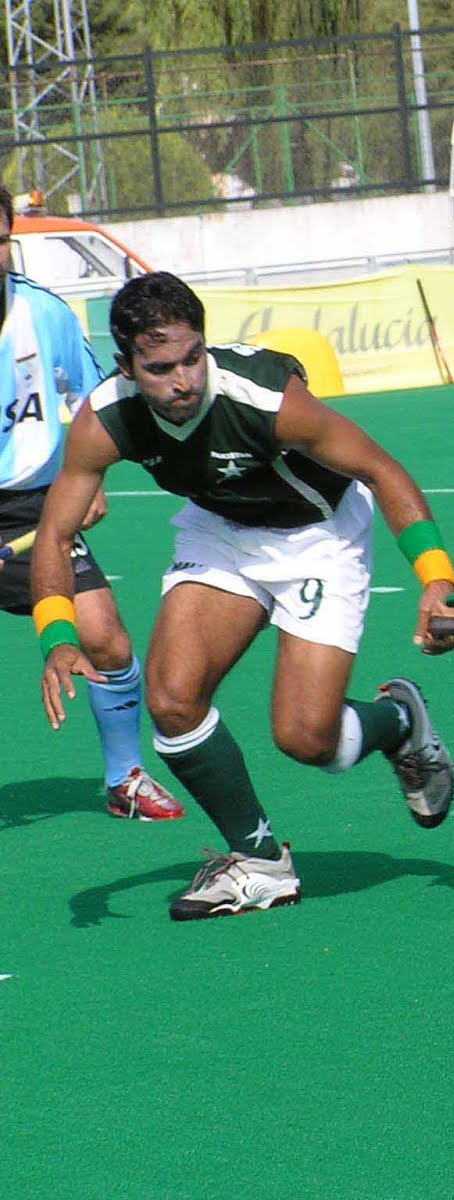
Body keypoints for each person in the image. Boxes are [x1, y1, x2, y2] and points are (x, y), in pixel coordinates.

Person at [34, 272, 454, 918]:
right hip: (220, 533)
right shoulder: (105, 419)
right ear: (125, 365)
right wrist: (58, 637)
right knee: (172, 700)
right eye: (159, 369)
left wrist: (436, 578)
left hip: (318, 536)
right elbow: (54, 531)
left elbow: (382, 468)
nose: (182, 381)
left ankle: (399, 721)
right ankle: (260, 861)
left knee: (306, 739)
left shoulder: (266, 398)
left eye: (191, 358)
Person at [0, 188, 182, 821]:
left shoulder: (43, 314)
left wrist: (90, 478)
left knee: (104, 638)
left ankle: (123, 777)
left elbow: (91, 397)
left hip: (33, 507)